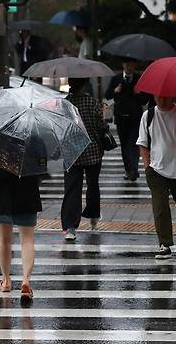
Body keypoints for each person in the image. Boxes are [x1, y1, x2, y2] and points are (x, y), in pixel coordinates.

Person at [137, 96, 176, 259]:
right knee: (160, 206)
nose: (162, 99)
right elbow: (143, 143)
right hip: (156, 169)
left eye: (165, 95)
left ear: (172, 94)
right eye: (159, 95)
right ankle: (164, 244)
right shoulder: (148, 115)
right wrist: (147, 166)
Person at [0, 159, 43, 302]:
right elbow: (41, 166)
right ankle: (26, 281)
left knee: (5, 240)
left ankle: (6, 281)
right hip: (27, 193)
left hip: (2, 195)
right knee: (27, 240)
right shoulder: (34, 138)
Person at [61, 78, 106, 241]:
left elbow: (62, 127)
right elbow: (101, 127)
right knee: (93, 186)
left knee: (72, 189)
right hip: (93, 151)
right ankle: (93, 216)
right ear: (85, 85)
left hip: (72, 152)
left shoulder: (65, 104)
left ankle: (70, 227)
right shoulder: (92, 103)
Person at [105, 58, 144, 181]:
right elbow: (107, 95)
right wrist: (115, 91)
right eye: (127, 65)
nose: (129, 67)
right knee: (124, 145)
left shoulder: (139, 78)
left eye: (132, 65)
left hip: (135, 116)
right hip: (121, 117)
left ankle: (133, 169)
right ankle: (129, 170)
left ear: (135, 65)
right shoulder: (116, 79)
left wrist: (138, 93)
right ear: (123, 65)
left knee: (133, 144)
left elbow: (145, 99)